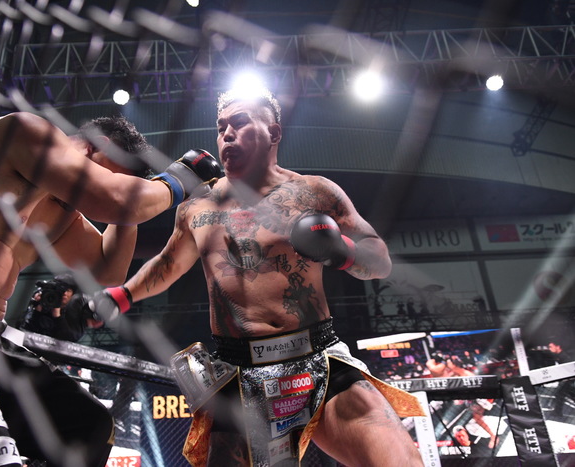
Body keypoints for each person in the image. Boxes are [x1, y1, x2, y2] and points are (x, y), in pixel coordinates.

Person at [93, 89, 424, 466]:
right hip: (239, 373)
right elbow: (168, 264)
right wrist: (120, 296)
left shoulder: (314, 192)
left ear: (274, 132)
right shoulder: (197, 205)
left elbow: (380, 261)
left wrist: (343, 250)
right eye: (221, 127)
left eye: (239, 122)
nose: (227, 134)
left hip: (317, 357)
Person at [0, 111, 221, 467]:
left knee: (86, 426)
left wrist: (129, 210)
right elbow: (116, 198)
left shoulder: (58, 211)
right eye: (108, 174)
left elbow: (109, 268)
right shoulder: (26, 133)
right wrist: (179, 179)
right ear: (96, 146)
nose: (100, 185)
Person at [20, 273, 103, 342]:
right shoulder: (44, 300)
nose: (64, 293)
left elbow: (69, 339)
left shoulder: (76, 313)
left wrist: (57, 315)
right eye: (61, 290)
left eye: (68, 290)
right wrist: (36, 310)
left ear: (73, 294)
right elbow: (25, 330)